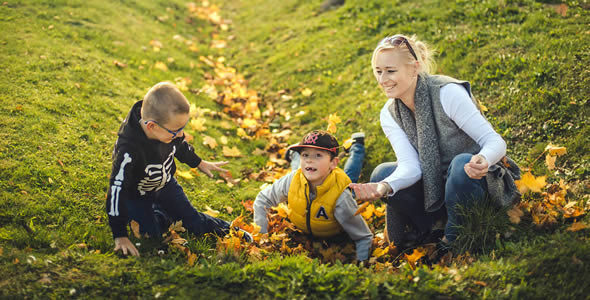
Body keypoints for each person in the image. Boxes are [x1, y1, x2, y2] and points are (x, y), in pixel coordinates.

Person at [349, 34, 520, 253]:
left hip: (474, 180)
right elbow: (411, 167)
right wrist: (383, 187)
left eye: (391, 71)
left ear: (414, 68)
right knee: (382, 173)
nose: (383, 80)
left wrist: (484, 159)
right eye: (378, 71)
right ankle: (431, 227)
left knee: (461, 165)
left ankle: (455, 238)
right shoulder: (389, 113)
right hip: (433, 186)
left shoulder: (446, 92)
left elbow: (494, 141)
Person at [106, 82, 250, 257]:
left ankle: (230, 229)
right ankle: (156, 214)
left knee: (193, 221)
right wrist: (119, 235)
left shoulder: (168, 131)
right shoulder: (128, 150)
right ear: (152, 126)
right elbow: (116, 189)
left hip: (166, 186)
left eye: (183, 128)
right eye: (176, 130)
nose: (181, 134)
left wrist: (199, 163)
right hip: (137, 195)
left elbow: (180, 146)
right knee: (151, 234)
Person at [253, 130, 373, 261]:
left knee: (350, 174)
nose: (310, 160)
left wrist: (361, 265)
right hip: (304, 191)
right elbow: (262, 199)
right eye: (305, 155)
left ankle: (357, 146)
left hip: (333, 203)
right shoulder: (294, 180)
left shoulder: (341, 197)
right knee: (297, 171)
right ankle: (294, 155)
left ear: (333, 163)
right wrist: (261, 239)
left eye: (318, 155)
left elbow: (364, 237)